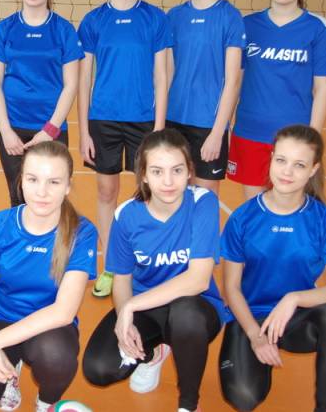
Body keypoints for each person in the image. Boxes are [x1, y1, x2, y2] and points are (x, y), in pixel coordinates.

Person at [81, 129, 224, 412]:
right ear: (144, 175)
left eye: (177, 170)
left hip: (195, 306)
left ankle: (188, 403)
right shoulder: (126, 216)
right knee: (99, 368)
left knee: (186, 316)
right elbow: (122, 280)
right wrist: (126, 316)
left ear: (189, 171)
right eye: (157, 171)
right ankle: (152, 354)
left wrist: (131, 306)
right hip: (147, 307)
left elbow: (198, 280)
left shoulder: (202, 202)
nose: (168, 181)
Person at [0, 141, 98, 412]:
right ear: (21, 181)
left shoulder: (81, 232)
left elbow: (63, 312)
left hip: (48, 326)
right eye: (33, 179)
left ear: (67, 186)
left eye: (54, 182)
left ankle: (46, 402)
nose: (42, 192)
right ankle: (9, 373)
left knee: (56, 356)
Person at [219, 124, 326, 412]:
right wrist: (256, 336)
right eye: (281, 160)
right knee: (243, 396)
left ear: (313, 169)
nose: (287, 172)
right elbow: (231, 288)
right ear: (271, 159)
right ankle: (258, 357)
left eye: (299, 165)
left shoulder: (325, 221)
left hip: (295, 319)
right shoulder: (243, 218)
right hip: (250, 317)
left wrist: (294, 298)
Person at [78, 0, 171, 298]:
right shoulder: (93, 21)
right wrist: (84, 130)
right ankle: (111, 266)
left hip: (143, 121)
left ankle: (145, 264)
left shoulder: (155, 19)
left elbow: (162, 76)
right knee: (106, 191)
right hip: (103, 119)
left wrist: (159, 128)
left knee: (146, 193)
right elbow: (84, 80)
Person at [228, 0, 326, 200]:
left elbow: (322, 88)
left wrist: (313, 137)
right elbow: (235, 81)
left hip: (294, 135)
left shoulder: (318, 28)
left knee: (291, 204)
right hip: (250, 131)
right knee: (255, 205)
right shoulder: (247, 25)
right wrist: (225, 125)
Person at [0, 0, 82, 207]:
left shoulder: (64, 30)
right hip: (13, 128)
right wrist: (6, 131)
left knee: (52, 199)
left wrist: (50, 129)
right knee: (18, 197)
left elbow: (71, 85)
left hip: (52, 127)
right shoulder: (4, 29)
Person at [166, 0, 244, 195]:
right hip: (173, 120)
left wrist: (218, 132)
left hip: (208, 123)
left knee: (205, 197)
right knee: (174, 194)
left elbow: (233, 81)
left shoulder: (230, 17)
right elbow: (166, 74)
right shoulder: (174, 16)